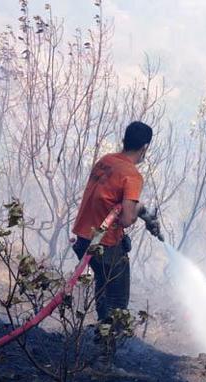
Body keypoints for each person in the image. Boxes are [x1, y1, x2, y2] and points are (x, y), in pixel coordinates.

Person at [71, 121, 161, 367]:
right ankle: (106, 360)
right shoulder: (132, 175)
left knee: (103, 289)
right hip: (107, 245)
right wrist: (138, 213)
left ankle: (101, 344)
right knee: (118, 301)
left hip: (84, 239)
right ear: (145, 147)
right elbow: (126, 218)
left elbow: (110, 200)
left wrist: (143, 212)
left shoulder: (106, 161)